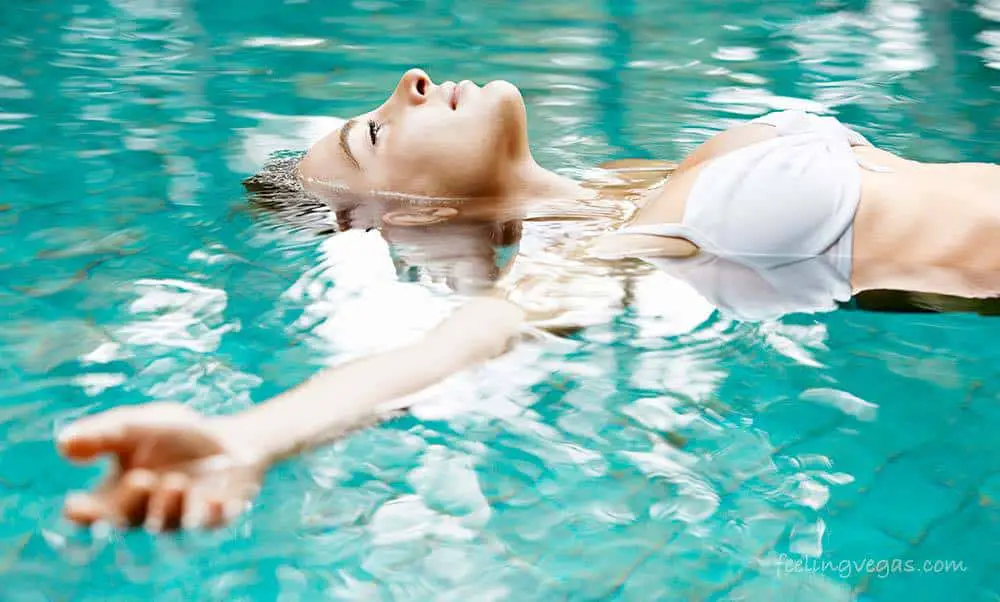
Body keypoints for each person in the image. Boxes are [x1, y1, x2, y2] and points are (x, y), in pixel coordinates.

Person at [56, 68, 1000, 532]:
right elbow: (468, 339)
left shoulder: (634, 189)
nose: (408, 85)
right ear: (405, 212)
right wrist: (251, 438)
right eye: (377, 134)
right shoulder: (631, 244)